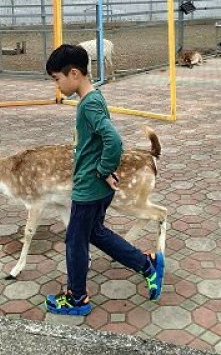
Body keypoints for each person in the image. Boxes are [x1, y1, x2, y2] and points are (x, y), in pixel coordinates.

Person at [44, 43, 164, 316]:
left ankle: (77, 299)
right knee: (95, 232)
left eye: (57, 79)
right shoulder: (93, 99)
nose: (57, 85)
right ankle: (147, 264)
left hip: (89, 188)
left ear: (74, 74)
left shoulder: (89, 106)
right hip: (97, 185)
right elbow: (102, 142)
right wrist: (106, 169)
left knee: (75, 241)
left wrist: (101, 170)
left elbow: (113, 140)